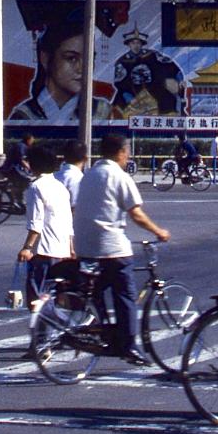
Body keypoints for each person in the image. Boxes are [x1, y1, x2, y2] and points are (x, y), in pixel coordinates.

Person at [73, 134, 170, 365]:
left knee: (96, 290)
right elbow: (136, 213)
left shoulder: (89, 175)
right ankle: (128, 346)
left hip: (84, 246)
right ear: (120, 152)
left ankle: (103, 331)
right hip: (111, 248)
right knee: (125, 295)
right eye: (127, 151)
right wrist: (159, 232)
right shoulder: (118, 175)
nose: (128, 156)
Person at [8, 19, 112, 123]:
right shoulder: (25, 115)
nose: (81, 69)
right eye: (71, 58)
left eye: (89, 58)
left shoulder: (101, 112)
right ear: (45, 59)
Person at [16, 145, 73, 315]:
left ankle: (42, 337)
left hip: (43, 252)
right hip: (61, 252)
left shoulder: (36, 187)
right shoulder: (60, 187)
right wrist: (71, 247)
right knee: (57, 299)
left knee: (37, 301)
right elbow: (67, 220)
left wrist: (27, 248)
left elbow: (36, 224)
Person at [111, 26, 185, 117]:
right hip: (131, 93)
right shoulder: (122, 62)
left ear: (142, 44)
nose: (136, 45)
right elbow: (120, 85)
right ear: (129, 44)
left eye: (138, 43)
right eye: (133, 43)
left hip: (154, 89)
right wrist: (130, 99)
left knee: (169, 102)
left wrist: (180, 79)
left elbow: (170, 66)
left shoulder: (152, 55)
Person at [54, 140, 87, 208]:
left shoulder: (53, 176)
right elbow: (75, 207)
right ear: (85, 158)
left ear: (64, 157)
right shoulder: (79, 179)